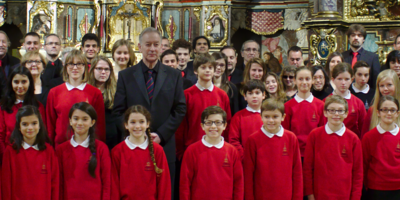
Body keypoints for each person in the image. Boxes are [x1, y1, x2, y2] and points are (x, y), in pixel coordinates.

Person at [113, 27, 186, 199]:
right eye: (148, 44)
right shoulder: (126, 75)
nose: (152, 48)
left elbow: (180, 108)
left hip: (164, 145)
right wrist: (133, 134)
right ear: (139, 46)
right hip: (133, 148)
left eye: (156, 44)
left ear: (161, 47)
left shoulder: (174, 75)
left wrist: (161, 134)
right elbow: (118, 111)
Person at [303, 95, 363, 200]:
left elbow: (358, 172)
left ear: (346, 113)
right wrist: (310, 194)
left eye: (340, 111)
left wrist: (356, 197)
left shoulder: (353, 139)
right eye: (332, 110)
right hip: (319, 195)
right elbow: (308, 168)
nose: (336, 114)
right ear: (325, 112)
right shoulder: (315, 135)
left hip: (344, 195)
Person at [180, 106, 243, 200]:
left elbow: (238, 183)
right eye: (209, 123)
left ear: (225, 125)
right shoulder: (191, 151)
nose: (213, 126)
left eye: (218, 122)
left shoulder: (232, 151)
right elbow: (185, 184)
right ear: (202, 126)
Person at [176, 53, 231, 160]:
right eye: (203, 67)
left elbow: (227, 122)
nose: (207, 70)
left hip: (218, 147)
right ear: (196, 71)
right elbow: (181, 125)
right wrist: (180, 151)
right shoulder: (187, 95)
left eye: (210, 67)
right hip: (192, 148)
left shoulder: (222, 95)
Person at [244, 99, 302, 200]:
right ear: (261, 117)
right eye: (267, 117)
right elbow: (248, 174)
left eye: (275, 117)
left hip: (286, 196)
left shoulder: (291, 138)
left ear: (283, 117)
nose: (271, 120)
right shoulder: (253, 140)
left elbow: (297, 172)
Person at [46, 49, 106, 147]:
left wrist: (96, 150)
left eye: (79, 64)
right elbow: (50, 126)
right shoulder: (54, 92)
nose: (75, 67)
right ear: (65, 67)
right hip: (60, 147)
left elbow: (99, 127)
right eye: (71, 64)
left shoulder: (95, 93)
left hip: (87, 148)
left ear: (85, 67)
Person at [111, 105, 171, 199]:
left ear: (147, 124)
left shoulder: (158, 150)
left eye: (141, 122)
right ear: (126, 125)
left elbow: (164, 185)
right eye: (133, 122)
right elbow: (114, 186)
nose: (137, 126)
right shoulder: (117, 152)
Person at [2, 105, 59, 200]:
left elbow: (55, 183)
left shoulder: (49, 151)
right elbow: (6, 185)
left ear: (40, 125)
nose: (30, 128)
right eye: (25, 124)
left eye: (34, 123)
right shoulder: (10, 151)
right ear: (19, 127)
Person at [56, 102, 111, 199]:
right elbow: (59, 183)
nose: (80, 123)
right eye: (76, 119)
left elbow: (107, 182)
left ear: (92, 122)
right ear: (70, 121)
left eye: (85, 119)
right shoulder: (61, 150)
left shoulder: (101, 148)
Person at [362, 95, 400, 200]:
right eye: (385, 110)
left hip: (398, 188)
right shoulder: (369, 137)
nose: (389, 113)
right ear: (378, 113)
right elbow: (364, 165)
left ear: (397, 113)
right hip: (376, 188)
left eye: (392, 110)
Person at [0, 66, 46, 152]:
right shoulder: (4, 107)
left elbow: (42, 134)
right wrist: (5, 156)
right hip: (10, 153)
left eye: (24, 82)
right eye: (16, 82)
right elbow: (0, 136)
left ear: (30, 83)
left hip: (33, 154)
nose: (20, 86)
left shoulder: (38, 107)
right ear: (11, 83)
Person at [282, 66, 325, 157]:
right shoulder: (288, 106)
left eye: (307, 79)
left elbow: (322, 132)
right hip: (294, 153)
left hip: (315, 153)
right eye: (300, 79)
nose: (304, 82)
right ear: (294, 81)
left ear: (312, 80)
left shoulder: (320, 105)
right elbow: (285, 133)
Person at [88, 56, 120, 150]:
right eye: (99, 69)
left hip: (113, 138)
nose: (103, 72)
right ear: (92, 70)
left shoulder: (117, 90)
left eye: (106, 69)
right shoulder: (86, 89)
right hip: (91, 136)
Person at [327, 62, 366, 138]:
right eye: (339, 79)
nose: (343, 83)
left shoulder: (358, 103)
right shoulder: (326, 102)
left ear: (352, 80)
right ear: (333, 80)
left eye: (347, 79)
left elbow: (363, 128)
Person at [229, 80, 265, 160]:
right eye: (250, 93)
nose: (254, 96)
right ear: (245, 96)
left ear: (264, 95)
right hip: (245, 160)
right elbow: (234, 140)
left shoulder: (269, 115)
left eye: (257, 93)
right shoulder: (238, 117)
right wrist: (244, 157)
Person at [361, 69, 400, 136]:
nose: (385, 89)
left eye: (389, 85)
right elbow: (364, 138)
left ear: (396, 85)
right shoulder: (372, 110)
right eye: (382, 86)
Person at [342, 24, 380, 90]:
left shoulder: (373, 57)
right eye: (353, 35)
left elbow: (376, 81)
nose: (356, 38)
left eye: (359, 35)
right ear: (348, 38)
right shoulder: (342, 56)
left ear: (364, 39)